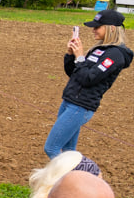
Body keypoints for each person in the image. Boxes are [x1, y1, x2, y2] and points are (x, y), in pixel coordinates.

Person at [44, 9, 132, 158]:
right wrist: (71, 55)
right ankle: (81, 178)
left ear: (111, 28)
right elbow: (74, 74)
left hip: (80, 107)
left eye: (97, 27)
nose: (93, 30)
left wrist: (80, 58)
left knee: (52, 148)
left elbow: (89, 79)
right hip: (70, 101)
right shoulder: (99, 49)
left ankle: (75, 179)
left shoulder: (115, 55)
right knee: (68, 152)